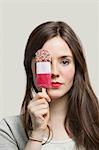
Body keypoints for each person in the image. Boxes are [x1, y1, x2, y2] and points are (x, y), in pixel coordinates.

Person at [0, 21, 99, 150]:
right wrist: (36, 134)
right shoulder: (9, 130)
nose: (54, 72)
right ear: (31, 70)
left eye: (64, 62)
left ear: (77, 68)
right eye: (45, 63)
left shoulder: (96, 128)